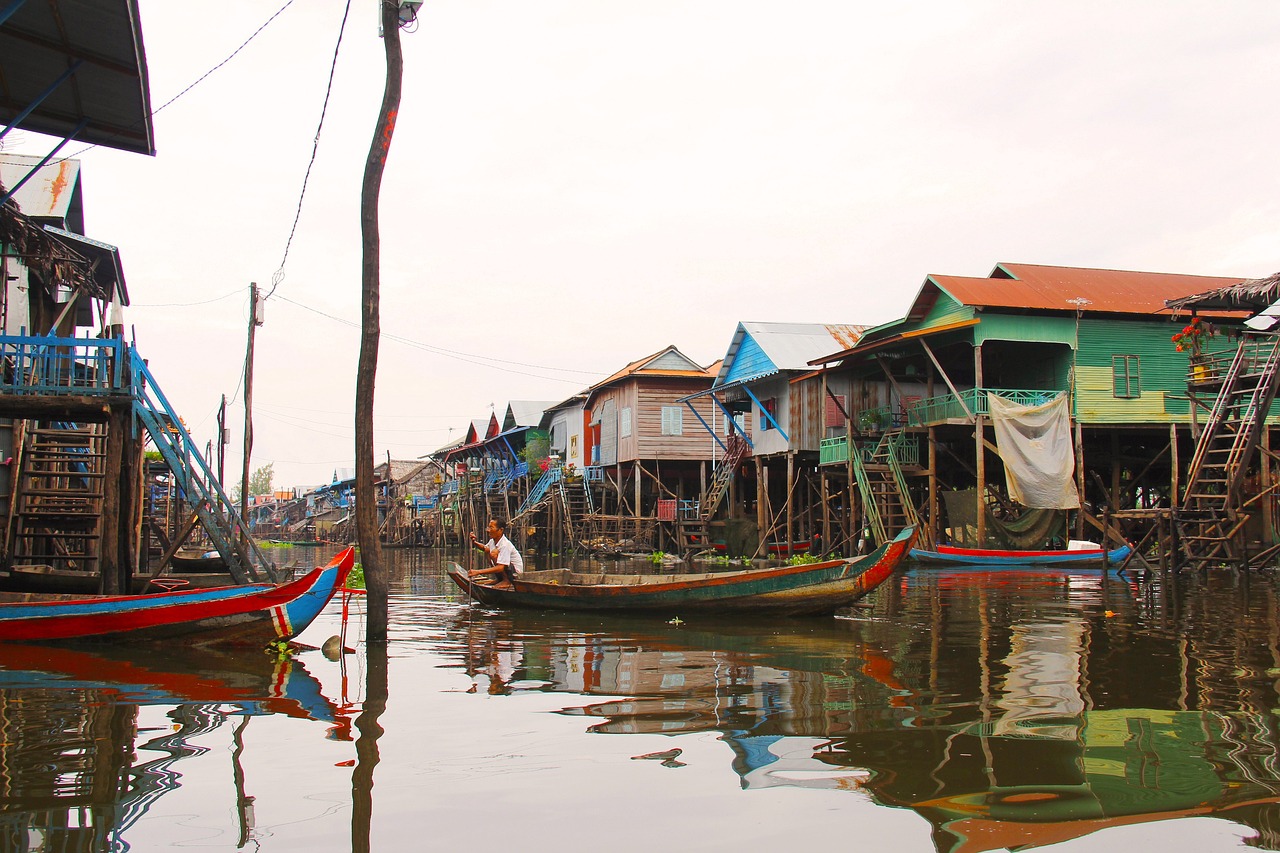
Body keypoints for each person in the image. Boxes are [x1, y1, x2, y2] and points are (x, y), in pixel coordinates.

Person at [468, 518, 524, 589]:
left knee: (493, 554)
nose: (488, 530)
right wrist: (474, 542)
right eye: (488, 527)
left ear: (501, 530)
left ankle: (507, 581)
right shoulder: (493, 541)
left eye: (491, 527)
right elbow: (485, 548)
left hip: (515, 575)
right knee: (488, 550)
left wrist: (478, 572)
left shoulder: (505, 545)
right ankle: (500, 579)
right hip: (507, 571)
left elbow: (501, 567)